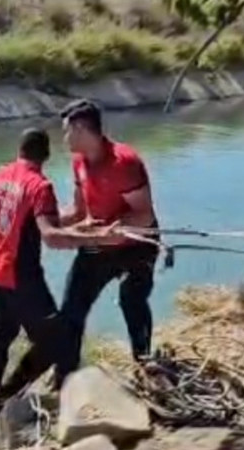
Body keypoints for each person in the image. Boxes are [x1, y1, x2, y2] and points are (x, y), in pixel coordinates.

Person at [0, 127, 118, 416]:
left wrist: (78, 225)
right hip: (21, 276)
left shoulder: (1, 175)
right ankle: (4, 396)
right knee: (55, 341)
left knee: (1, 336)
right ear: (45, 155)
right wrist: (98, 238)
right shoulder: (39, 186)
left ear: (20, 150)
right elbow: (51, 237)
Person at [53, 99, 160, 390]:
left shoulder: (123, 162)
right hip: (98, 246)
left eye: (66, 131)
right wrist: (43, 222)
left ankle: (145, 363)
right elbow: (77, 211)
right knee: (71, 310)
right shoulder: (79, 162)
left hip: (137, 245)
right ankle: (64, 379)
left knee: (131, 300)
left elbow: (144, 214)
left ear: (81, 129)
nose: (63, 139)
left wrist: (120, 229)